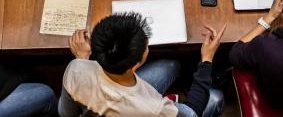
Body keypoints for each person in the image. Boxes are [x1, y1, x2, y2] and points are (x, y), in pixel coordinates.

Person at [58, 12, 225, 117]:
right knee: (216, 98)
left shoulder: (76, 68)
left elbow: (64, 113)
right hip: (138, 105)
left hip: (118, 95)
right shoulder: (153, 109)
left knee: (171, 66)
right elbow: (192, 113)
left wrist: (82, 58)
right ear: (134, 66)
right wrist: (207, 59)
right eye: (145, 45)